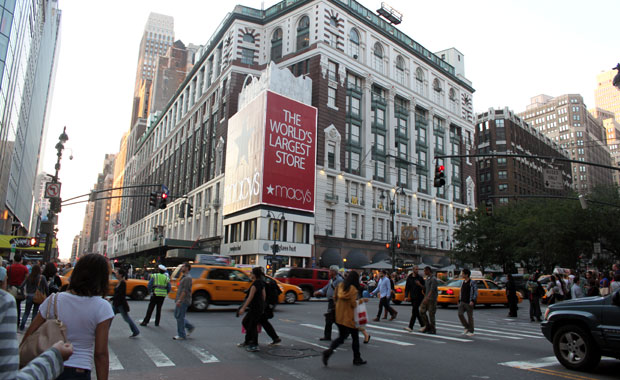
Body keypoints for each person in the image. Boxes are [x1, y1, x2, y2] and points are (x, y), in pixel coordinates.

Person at [22, 253, 114, 380]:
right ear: (102, 278)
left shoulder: (54, 299)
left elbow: (29, 334)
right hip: (78, 370)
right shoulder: (103, 307)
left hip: (47, 366)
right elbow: (100, 353)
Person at [0, 288, 74, 380]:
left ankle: (22, 325)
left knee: (27, 312)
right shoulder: (4, 301)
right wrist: (54, 357)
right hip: (79, 366)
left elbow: (32, 329)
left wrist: (22, 349)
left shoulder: (54, 299)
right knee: (32, 311)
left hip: (30, 296)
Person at [321, 271, 367, 366]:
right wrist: (362, 300)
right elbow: (353, 304)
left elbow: (334, 298)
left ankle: (329, 351)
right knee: (355, 338)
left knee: (341, 337)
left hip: (339, 316)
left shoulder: (340, 286)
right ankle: (357, 358)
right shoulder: (353, 289)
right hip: (349, 318)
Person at [237, 267, 266, 352]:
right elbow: (264, 296)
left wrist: (243, 308)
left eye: (251, 273)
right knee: (246, 322)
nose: (250, 274)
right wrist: (262, 305)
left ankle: (254, 344)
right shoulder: (261, 283)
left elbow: (250, 298)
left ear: (255, 274)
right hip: (258, 307)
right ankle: (248, 341)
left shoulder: (255, 285)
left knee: (252, 325)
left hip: (255, 308)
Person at [313, 265, 343, 341]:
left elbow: (341, 292)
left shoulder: (339, 280)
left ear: (333, 272)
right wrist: (319, 292)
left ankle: (329, 336)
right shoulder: (332, 280)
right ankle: (343, 333)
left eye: (330, 271)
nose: (329, 272)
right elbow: (326, 288)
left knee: (331, 319)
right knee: (335, 319)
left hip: (336, 302)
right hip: (331, 301)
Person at [112, 269, 140, 338]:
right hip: (116, 303)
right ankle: (104, 333)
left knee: (126, 318)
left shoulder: (123, 283)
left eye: (117, 273)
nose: (116, 274)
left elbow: (120, 295)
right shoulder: (119, 282)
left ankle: (136, 331)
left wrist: (111, 298)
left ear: (121, 275)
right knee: (109, 317)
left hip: (120, 304)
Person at [20, 264, 48, 331]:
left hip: (29, 295)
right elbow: (46, 287)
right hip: (37, 297)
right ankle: (32, 328)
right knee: (35, 312)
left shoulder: (29, 276)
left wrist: (24, 295)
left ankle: (22, 326)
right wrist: (47, 295)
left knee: (26, 312)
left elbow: (21, 286)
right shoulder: (42, 277)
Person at [173, 262, 195, 340]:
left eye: (183, 267)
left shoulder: (187, 278)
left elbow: (185, 291)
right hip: (180, 299)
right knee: (177, 315)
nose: (181, 268)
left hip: (183, 300)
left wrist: (179, 300)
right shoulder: (183, 277)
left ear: (187, 268)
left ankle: (181, 335)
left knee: (180, 317)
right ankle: (190, 327)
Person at [258, 273, 282, 346]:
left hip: (264, 305)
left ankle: (251, 341)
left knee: (261, 321)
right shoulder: (267, 281)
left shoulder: (261, 283)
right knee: (263, 321)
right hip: (267, 304)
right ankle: (275, 338)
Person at [7, 253, 28, 327]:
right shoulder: (24, 268)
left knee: (9, 306)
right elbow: (26, 278)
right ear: (21, 260)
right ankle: (17, 322)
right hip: (19, 290)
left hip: (10, 289)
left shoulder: (9, 268)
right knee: (18, 306)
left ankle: (9, 321)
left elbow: (6, 278)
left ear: (14, 259)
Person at [403, 266, 425, 332]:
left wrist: (419, 284)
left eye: (417, 269)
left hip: (419, 297)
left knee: (414, 311)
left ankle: (410, 326)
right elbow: (407, 288)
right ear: (413, 270)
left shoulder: (420, 278)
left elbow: (424, 287)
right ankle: (423, 325)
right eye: (416, 269)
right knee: (416, 312)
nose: (417, 270)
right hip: (412, 296)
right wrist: (406, 296)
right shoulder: (409, 278)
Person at [457, 269, 477, 336]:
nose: (462, 275)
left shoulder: (472, 282)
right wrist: (459, 299)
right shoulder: (463, 282)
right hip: (462, 301)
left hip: (469, 301)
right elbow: (461, 291)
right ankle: (466, 326)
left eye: (463, 274)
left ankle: (471, 330)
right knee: (460, 314)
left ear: (466, 275)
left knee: (470, 316)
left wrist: (473, 300)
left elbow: (475, 292)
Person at [419, 266, 438, 334]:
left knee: (431, 314)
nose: (424, 272)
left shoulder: (433, 279)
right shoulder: (427, 278)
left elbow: (432, 290)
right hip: (426, 298)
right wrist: (420, 285)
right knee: (421, 311)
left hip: (432, 299)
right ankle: (427, 326)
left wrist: (427, 297)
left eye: (425, 271)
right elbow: (426, 288)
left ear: (428, 271)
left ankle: (433, 329)